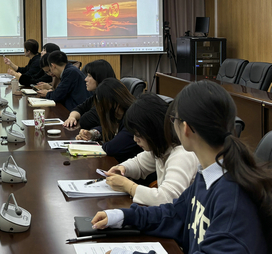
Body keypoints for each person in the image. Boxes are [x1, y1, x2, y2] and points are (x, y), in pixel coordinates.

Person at [91, 81, 271, 254]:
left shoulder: (232, 199)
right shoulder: (207, 176)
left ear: (185, 128)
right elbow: (173, 213)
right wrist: (123, 217)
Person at [104, 93, 199, 206]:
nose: (135, 139)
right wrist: (122, 168)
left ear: (153, 131)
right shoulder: (161, 148)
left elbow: (167, 198)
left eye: (138, 134)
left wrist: (129, 187)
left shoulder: (182, 154)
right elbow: (139, 164)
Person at [78, 78, 142, 163]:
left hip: (135, 170)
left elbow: (112, 148)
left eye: (101, 101)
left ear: (111, 101)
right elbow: (112, 128)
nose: (99, 106)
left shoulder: (133, 117)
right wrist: (92, 134)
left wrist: (98, 144)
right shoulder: (118, 114)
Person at [64, 59, 116, 130]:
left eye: (89, 76)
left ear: (99, 77)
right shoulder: (96, 96)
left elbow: (85, 121)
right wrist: (72, 117)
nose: (85, 79)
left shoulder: (107, 99)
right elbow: (80, 108)